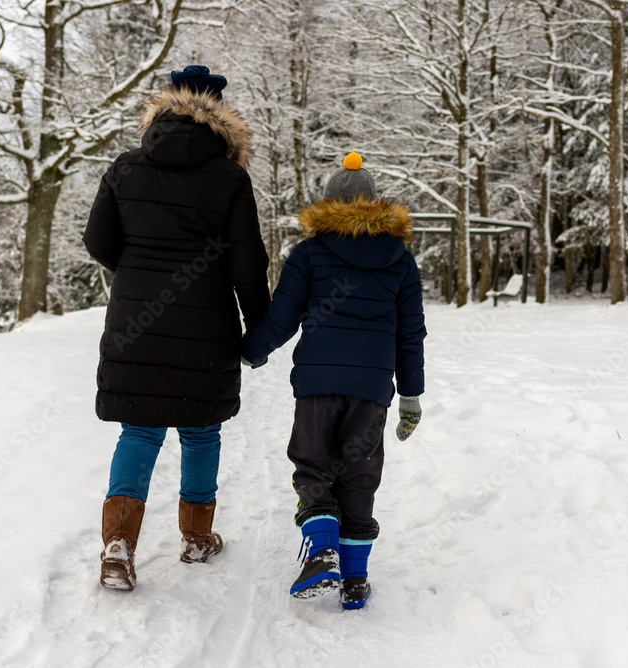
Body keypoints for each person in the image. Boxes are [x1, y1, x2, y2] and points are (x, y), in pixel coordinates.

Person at [83, 65, 270, 590]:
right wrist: (260, 329)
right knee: (200, 428)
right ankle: (195, 537)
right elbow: (246, 262)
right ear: (222, 120)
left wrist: (139, 269)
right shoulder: (230, 178)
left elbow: (98, 241)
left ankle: (118, 545)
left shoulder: (126, 168)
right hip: (206, 322)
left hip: (134, 318)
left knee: (139, 428)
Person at [242, 152, 426, 610]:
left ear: (328, 202)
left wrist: (250, 350)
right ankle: (356, 579)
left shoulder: (310, 254)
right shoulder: (401, 261)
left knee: (313, 464)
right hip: (373, 387)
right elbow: (410, 332)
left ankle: (321, 548)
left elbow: (281, 317)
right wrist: (411, 396)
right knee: (359, 474)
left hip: (317, 384)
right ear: (375, 202)